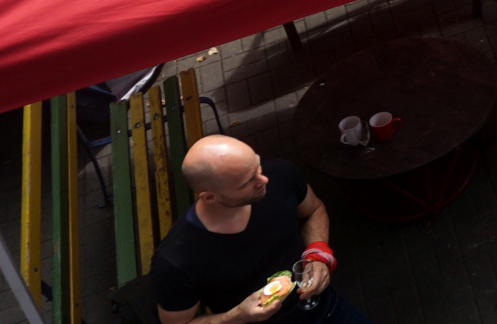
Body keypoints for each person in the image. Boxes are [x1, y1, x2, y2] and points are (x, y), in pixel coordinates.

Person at [150, 135, 369, 323]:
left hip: (328, 310)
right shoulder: (175, 261)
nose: (263, 179)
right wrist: (237, 316)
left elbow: (314, 210)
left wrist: (318, 253)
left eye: (257, 165)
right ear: (209, 197)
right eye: (247, 181)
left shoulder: (281, 175)